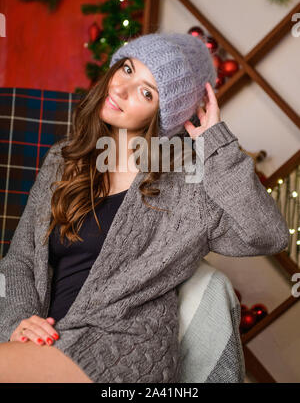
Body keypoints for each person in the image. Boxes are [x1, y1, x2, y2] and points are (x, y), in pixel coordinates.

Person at [0, 32, 289, 383]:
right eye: (126, 69)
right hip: (42, 335)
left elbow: (268, 236)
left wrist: (217, 146)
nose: (120, 89)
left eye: (146, 91)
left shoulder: (188, 187)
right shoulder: (65, 158)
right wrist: (19, 319)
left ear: (165, 114)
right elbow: (20, 259)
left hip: (120, 348)